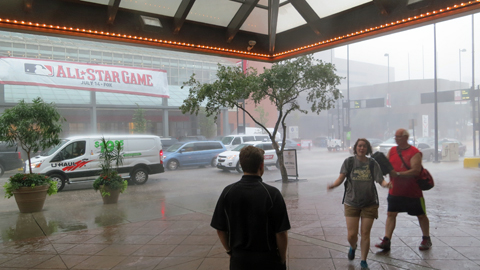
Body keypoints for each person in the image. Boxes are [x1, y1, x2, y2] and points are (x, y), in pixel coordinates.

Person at [211, 145, 290, 270]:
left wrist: (230, 251)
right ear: (261, 165)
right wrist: (282, 257)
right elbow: (281, 233)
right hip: (268, 260)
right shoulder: (272, 194)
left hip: (239, 260)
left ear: (241, 165)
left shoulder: (228, 192)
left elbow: (220, 230)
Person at [328, 138, 390, 270]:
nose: (362, 148)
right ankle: (353, 246)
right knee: (352, 235)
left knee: (365, 233)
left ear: (368, 149)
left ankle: (363, 260)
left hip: (370, 203)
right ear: (355, 147)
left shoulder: (373, 163)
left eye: (364, 146)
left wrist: (386, 185)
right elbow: (341, 178)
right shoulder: (349, 162)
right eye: (359, 146)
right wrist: (333, 185)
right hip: (351, 202)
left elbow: (380, 180)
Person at [375, 128, 432, 251]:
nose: (396, 139)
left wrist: (399, 174)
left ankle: (426, 238)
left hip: (413, 192)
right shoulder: (392, 150)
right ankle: (387, 240)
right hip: (395, 190)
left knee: (421, 215)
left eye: (399, 136)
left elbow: (415, 170)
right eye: (395, 136)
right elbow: (387, 166)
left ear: (406, 137)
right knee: (391, 214)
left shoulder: (414, 152)